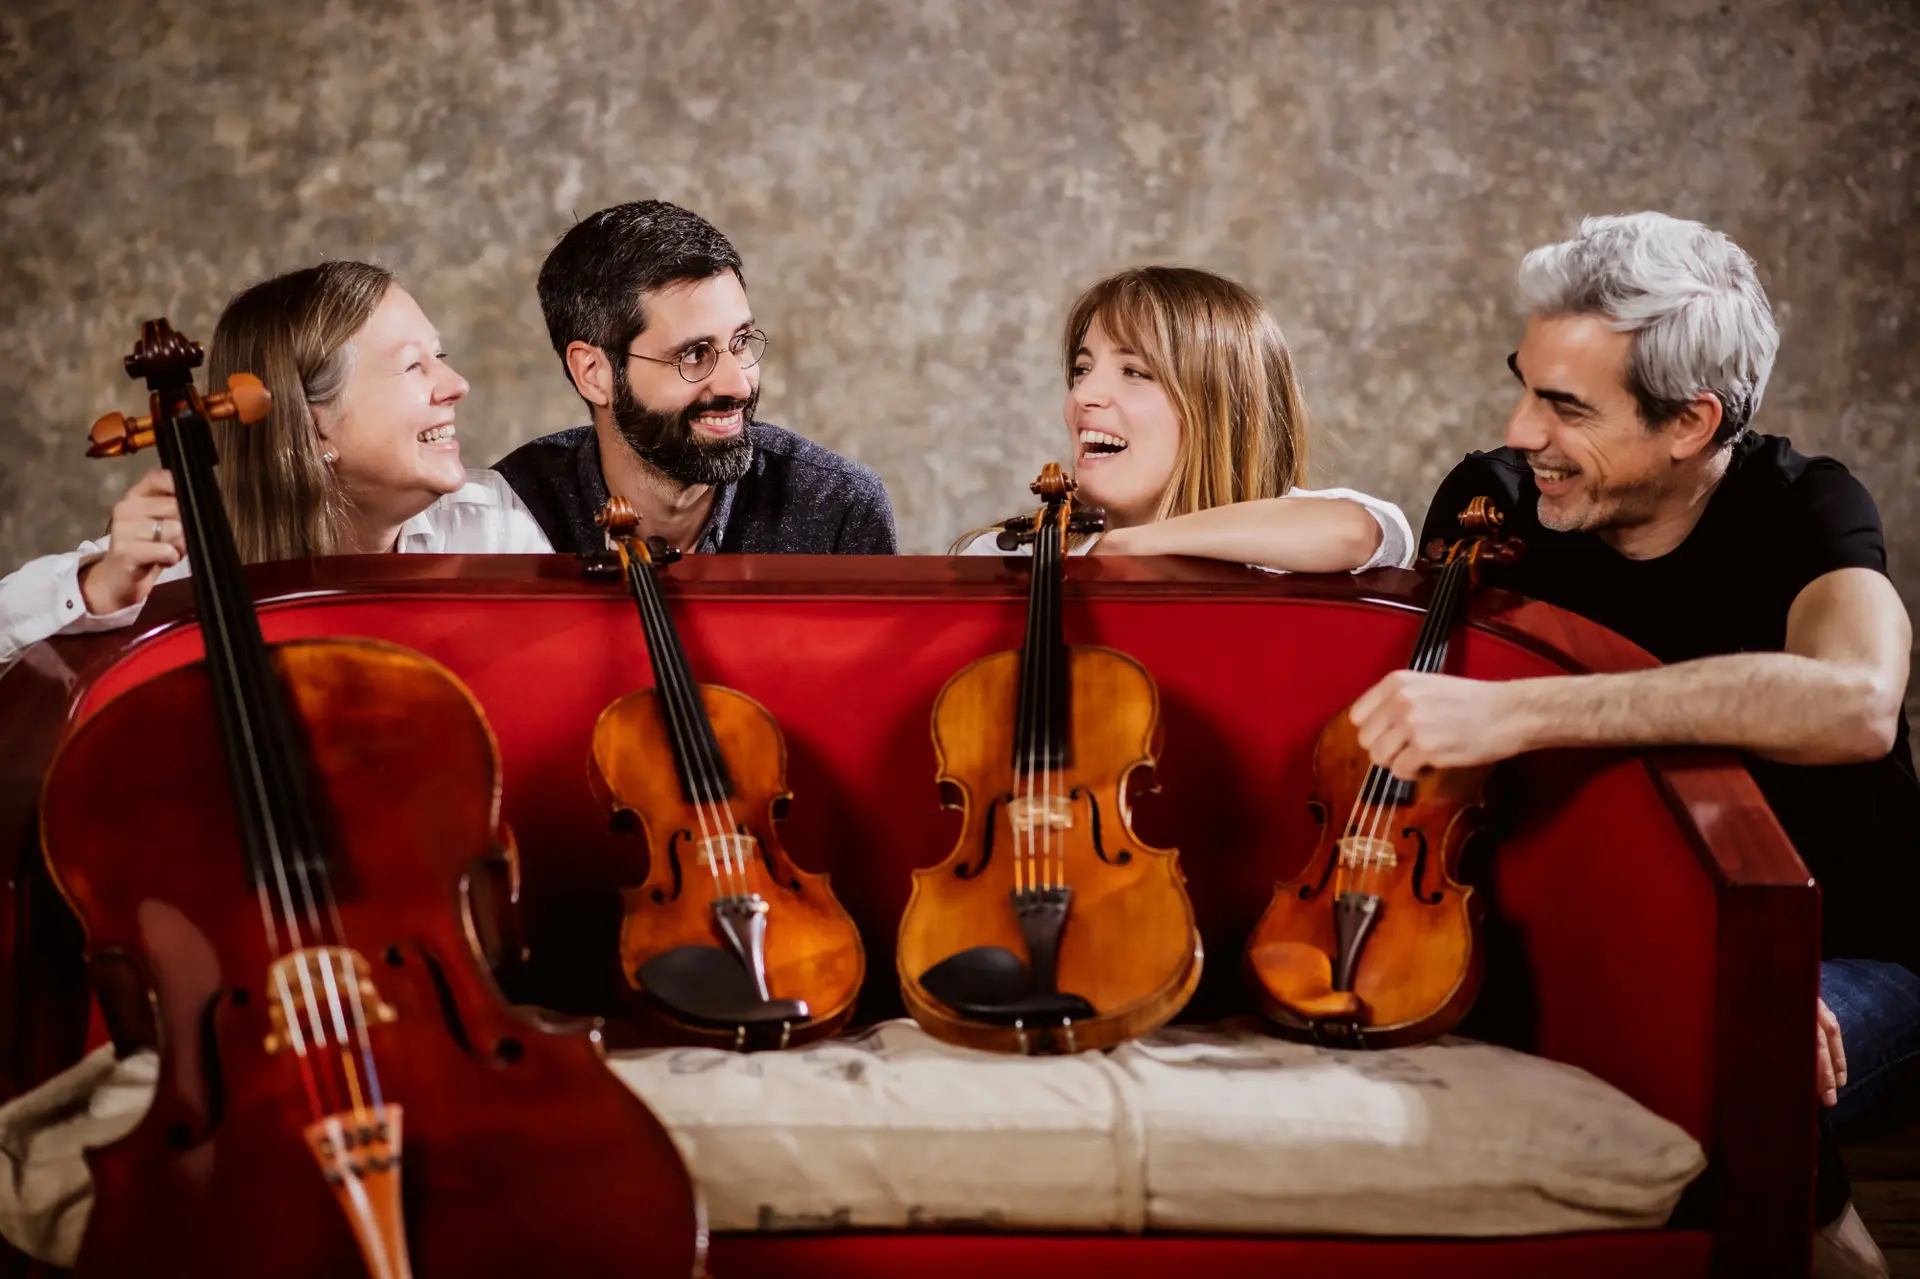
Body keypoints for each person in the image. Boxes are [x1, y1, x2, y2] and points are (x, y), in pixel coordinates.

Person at [1348, 212, 1916, 1279]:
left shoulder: (1808, 507)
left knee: (1745, 1056)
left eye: (1565, 405)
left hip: (1853, 954)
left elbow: (1855, 703)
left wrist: (1529, 711)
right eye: (1523, 384)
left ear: (1691, 423)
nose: (1520, 430)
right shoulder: (1497, 502)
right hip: (1602, 933)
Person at [0, 261, 551, 671]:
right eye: (413, 366)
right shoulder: (185, 558)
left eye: (442, 358)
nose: (456, 386)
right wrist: (100, 591)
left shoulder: (490, 523)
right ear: (314, 429)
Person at [494, 200, 897, 556]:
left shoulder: (839, 512)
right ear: (593, 373)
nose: (737, 385)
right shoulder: (506, 515)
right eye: (693, 355)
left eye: (740, 342)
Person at [954, 265, 1410, 575]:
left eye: (1135, 372)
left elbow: (1352, 532)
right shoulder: (1013, 557)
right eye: (1081, 369)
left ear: (1217, 406)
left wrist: (1129, 545)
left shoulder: (1293, 539)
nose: (1084, 395)